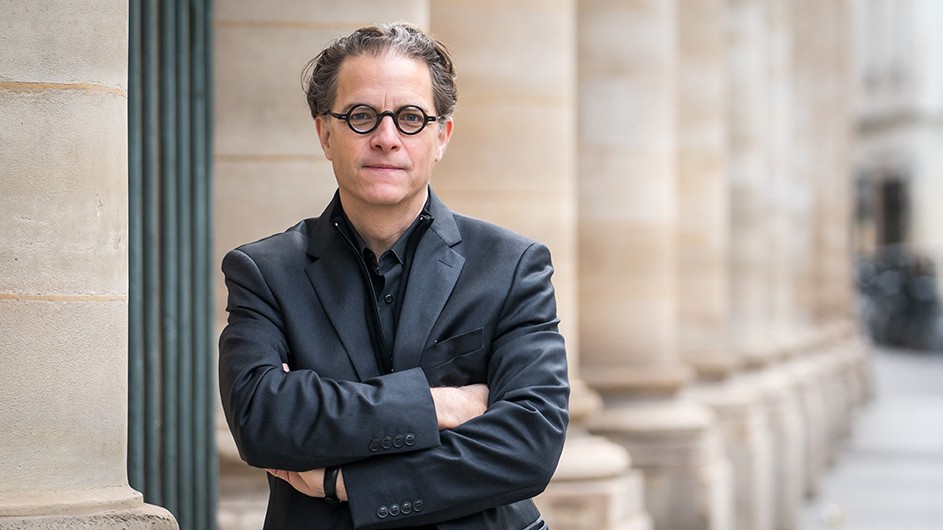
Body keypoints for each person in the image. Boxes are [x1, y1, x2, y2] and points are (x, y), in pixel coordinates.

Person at [218, 22, 569, 530]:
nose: (386, 138)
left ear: (441, 135)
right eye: (361, 116)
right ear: (324, 132)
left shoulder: (513, 266)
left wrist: (346, 483)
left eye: (409, 118)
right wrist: (437, 404)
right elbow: (263, 421)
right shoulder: (264, 272)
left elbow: (529, 445)